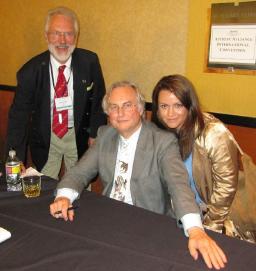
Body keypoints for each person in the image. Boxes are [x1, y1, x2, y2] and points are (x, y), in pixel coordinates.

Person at [50, 81, 227, 270]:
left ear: (141, 109)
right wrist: (63, 196)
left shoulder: (162, 141)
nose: (120, 113)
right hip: (108, 219)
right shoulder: (105, 135)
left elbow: (179, 186)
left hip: (147, 226)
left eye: (127, 105)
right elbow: (79, 172)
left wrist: (195, 230)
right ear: (108, 113)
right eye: (113, 107)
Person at [151, 74, 255, 243]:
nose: (170, 113)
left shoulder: (213, 133)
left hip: (221, 215)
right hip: (184, 211)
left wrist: (208, 229)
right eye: (164, 106)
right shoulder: (161, 134)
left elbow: (225, 187)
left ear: (189, 105)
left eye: (178, 105)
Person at [6, 7, 106, 179]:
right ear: (46, 36)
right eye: (56, 33)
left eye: (68, 34)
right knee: (45, 186)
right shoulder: (30, 71)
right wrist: (14, 159)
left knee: (80, 186)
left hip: (78, 133)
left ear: (75, 36)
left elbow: (98, 100)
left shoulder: (89, 62)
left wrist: (95, 133)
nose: (62, 40)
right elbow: (18, 118)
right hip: (46, 136)